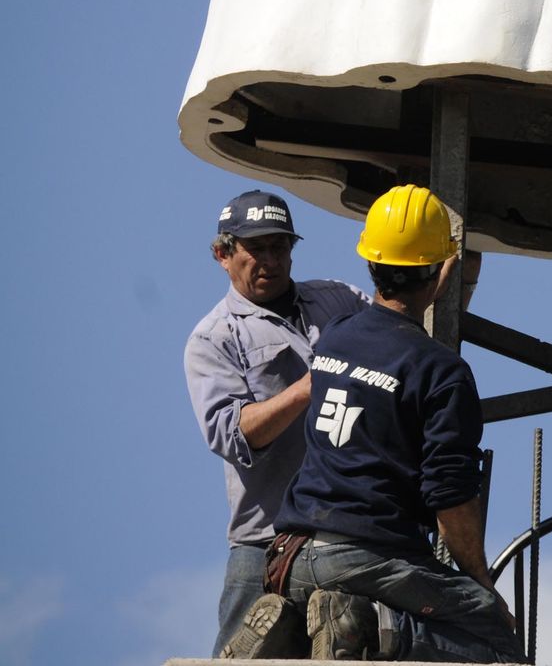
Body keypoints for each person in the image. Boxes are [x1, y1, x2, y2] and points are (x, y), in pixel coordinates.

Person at [231, 183, 520, 662]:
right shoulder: (442, 372)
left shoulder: (336, 338)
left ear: (370, 262)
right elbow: (450, 499)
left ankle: (292, 626)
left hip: (290, 557)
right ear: (442, 271)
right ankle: (369, 628)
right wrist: (481, 583)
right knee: (494, 637)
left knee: (337, 610)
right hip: (363, 558)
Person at [184, 189, 368, 657]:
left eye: (280, 247)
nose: (271, 260)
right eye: (256, 249)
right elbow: (234, 433)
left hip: (350, 531)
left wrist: (451, 276)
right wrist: (314, 384)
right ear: (222, 254)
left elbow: (401, 336)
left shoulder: (338, 300)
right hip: (266, 544)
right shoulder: (215, 338)